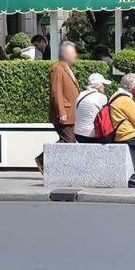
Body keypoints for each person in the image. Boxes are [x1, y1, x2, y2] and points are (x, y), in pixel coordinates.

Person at [35, 40, 79, 171]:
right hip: (65, 113)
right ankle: (43, 160)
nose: (75, 56)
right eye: (73, 53)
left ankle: (56, 165)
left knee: (68, 141)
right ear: (65, 54)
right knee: (68, 141)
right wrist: (61, 112)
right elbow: (56, 91)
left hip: (71, 113)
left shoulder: (66, 68)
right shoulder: (57, 68)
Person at [74, 72, 111, 143]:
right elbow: (106, 116)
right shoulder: (101, 97)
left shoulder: (81, 95)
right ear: (99, 85)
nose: (105, 87)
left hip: (78, 133)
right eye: (104, 84)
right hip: (92, 134)